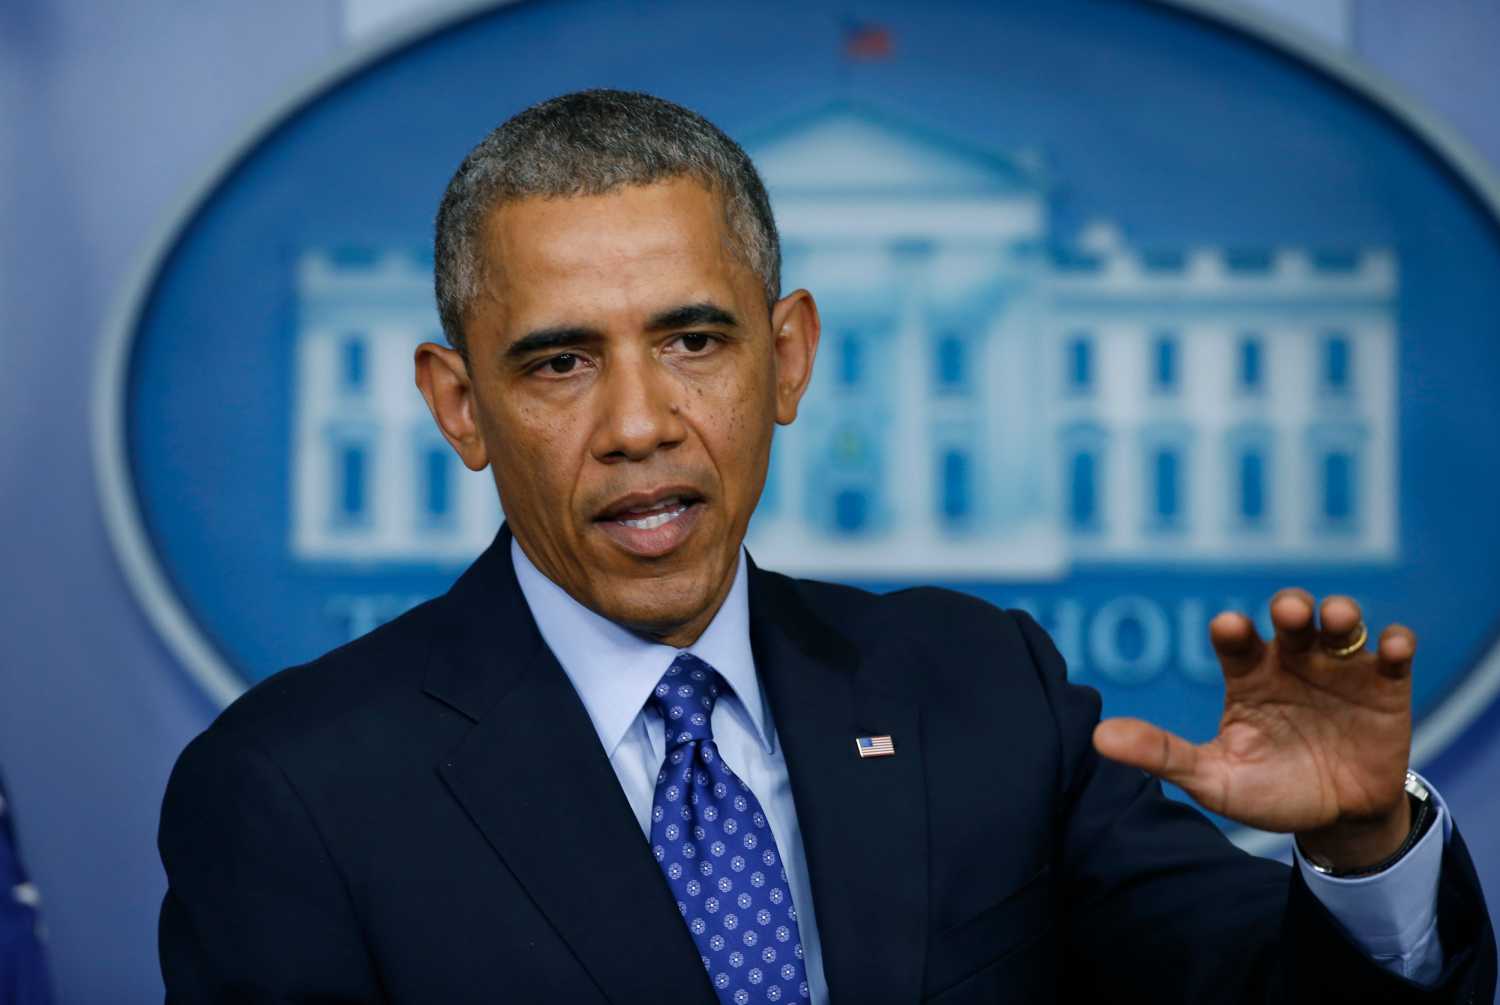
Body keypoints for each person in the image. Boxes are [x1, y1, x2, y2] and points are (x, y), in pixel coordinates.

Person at [158, 89, 1495, 1003]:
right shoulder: (291, 793)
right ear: (462, 406)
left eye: (694, 341)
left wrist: (1365, 849)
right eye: (561, 362)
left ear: (786, 358)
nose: (639, 423)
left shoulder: (977, 689)